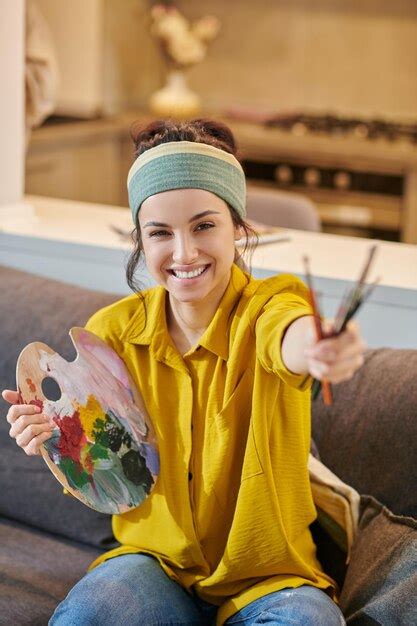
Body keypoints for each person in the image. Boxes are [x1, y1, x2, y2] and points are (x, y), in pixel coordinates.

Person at [3, 118, 365, 626]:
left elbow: (290, 336)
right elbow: (104, 468)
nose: (184, 252)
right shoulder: (109, 335)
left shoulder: (271, 306)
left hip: (271, 580)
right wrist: (52, 438)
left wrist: (320, 349)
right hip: (154, 565)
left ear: (238, 228)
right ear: (140, 242)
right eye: (160, 234)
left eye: (204, 225)